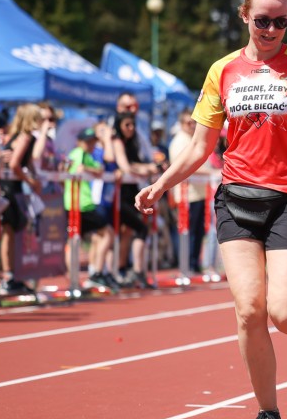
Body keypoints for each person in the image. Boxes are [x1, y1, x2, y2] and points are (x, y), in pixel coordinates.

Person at [135, 0, 287, 419]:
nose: (271, 31)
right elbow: (198, 148)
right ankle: (267, 413)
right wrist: (161, 183)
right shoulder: (222, 71)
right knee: (250, 311)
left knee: (282, 310)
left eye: (281, 22)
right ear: (244, 17)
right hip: (238, 199)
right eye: (262, 21)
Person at [0, 103, 44, 296]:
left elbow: (27, 162)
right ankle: (9, 276)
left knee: (15, 230)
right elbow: (16, 163)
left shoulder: (21, 136)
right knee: (10, 231)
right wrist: (31, 180)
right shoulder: (25, 136)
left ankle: (13, 275)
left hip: (13, 186)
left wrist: (34, 176)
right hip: (10, 188)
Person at [65, 127, 117, 291]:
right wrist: (89, 170)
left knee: (79, 238)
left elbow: (99, 170)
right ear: (80, 142)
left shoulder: (86, 155)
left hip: (82, 204)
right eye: (88, 141)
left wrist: (90, 169)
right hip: (79, 204)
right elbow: (77, 170)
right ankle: (92, 274)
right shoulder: (78, 153)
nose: (91, 144)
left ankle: (90, 275)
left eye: (93, 141)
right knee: (106, 233)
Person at [168, 110, 218, 274]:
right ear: (181, 124)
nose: (192, 126)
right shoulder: (179, 142)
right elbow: (185, 166)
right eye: (188, 123)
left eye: (194, 122)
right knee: (187, 231)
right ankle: (186, 265)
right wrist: (212, 174)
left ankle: (194, 264)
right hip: (187, 195)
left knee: (198, 231)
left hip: (200, 192)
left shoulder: (192, 139)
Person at [111, 111, 157, 288]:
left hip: (131, 192)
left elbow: (133, 163)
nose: (131, 129)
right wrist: (144, 170)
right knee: (140, 228)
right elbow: (125, 166)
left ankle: (123, 269)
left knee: (128, 231)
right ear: (119, 126)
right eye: (127, 125)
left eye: (133, 125)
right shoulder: (116, 141)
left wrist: (147, 167)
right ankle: (137, 271)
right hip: (117, 194)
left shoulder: (132, 142)